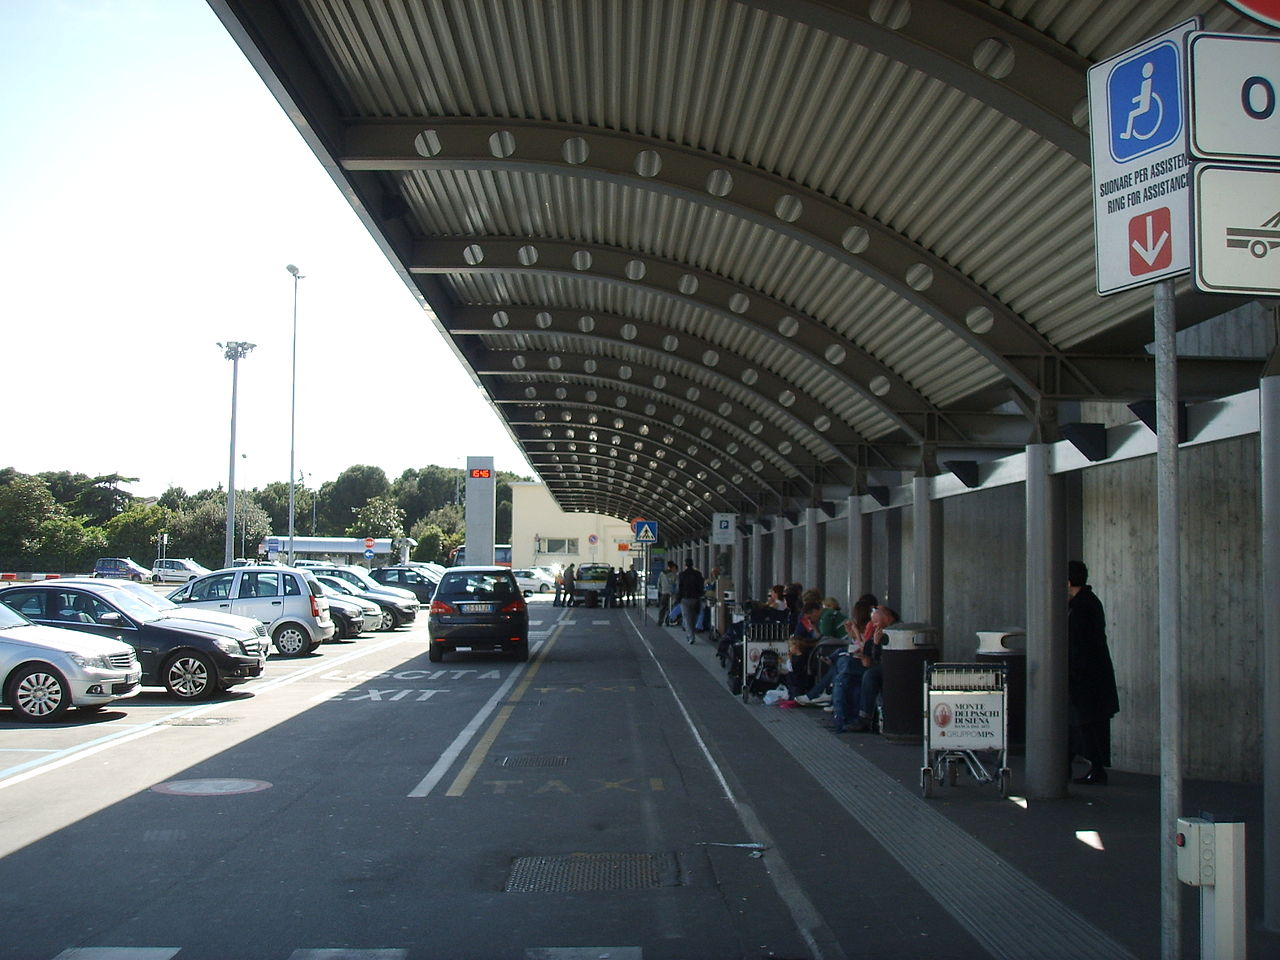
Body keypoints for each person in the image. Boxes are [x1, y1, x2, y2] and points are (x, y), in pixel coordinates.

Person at [1067, 560, 1119, 785]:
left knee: (1085, 723)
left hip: (1086, 676)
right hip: (1094, 674)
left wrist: (1073, 670)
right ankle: (1089, 767)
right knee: (1087, 723)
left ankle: (1095, 769)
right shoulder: (1089, 602)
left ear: (1068, 581)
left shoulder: (1080, 607)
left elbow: (1079, 643)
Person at [842, 604, 898, 733]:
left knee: (869, 675)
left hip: (888, 668)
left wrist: (877, 645)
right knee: (845, 667)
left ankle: (864, 718)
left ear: (887, 619)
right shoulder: (878, 631)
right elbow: (868, 650)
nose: (874, 626)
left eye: (877, 623)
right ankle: (843, 713)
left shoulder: (892, 632)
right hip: (874, 665)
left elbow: (881, 657)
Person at [676, 557, 705, 645]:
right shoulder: (698, 574)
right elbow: (701, 586)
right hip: (696, 599)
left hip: (685, 599)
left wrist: (678, 599)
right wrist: (700, 595)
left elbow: (680, 588)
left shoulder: (682, 575)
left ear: (685, 565)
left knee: (687, 618)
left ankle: (691, 636)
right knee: (694, 617)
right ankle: (691, 634)